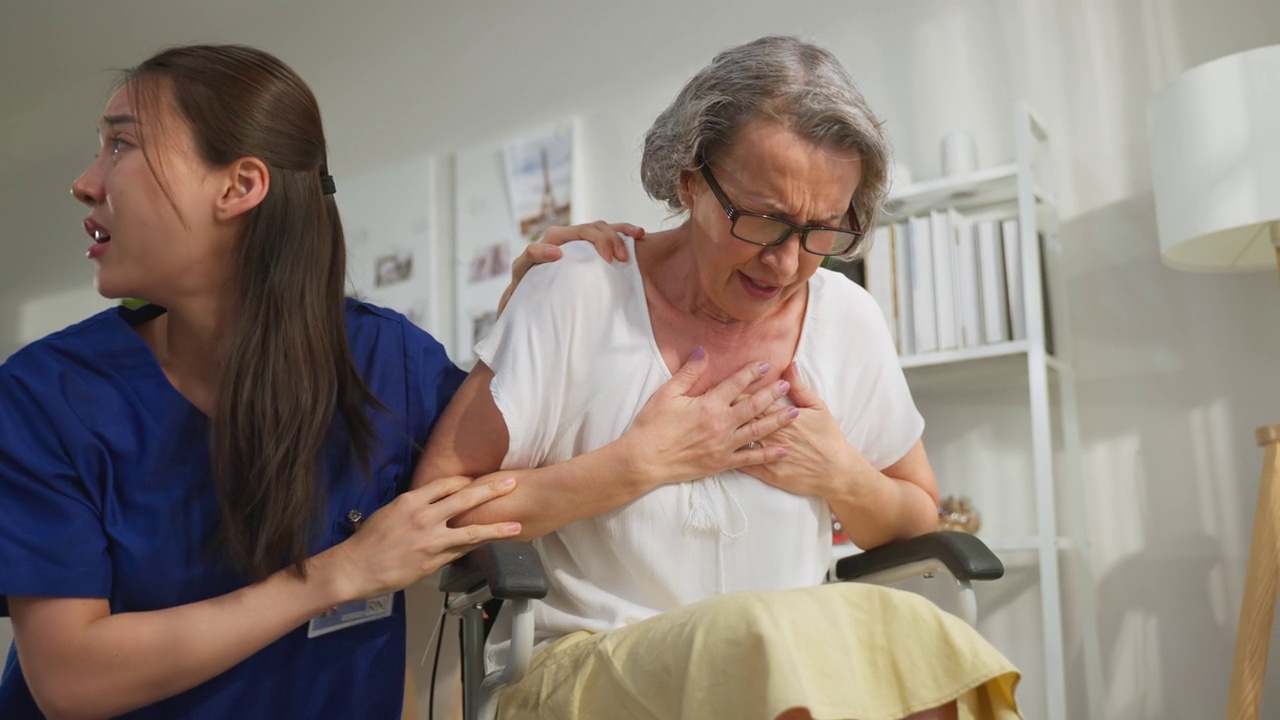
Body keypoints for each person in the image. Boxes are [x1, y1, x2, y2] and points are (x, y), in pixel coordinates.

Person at [0, 44, 654, 719]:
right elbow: (71, 679)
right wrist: (338, 574)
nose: (85, 181)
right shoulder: (49, 395)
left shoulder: (383, 362)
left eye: (119, 147)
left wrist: (542, 315)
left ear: (239, 187)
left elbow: (503, 483)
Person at [417, 35, 1023, 719]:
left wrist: (839, 476)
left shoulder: (846, 317)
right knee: (762, 648)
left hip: (787, 647)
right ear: (687, 179)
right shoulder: (580, 292)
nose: (788, 263)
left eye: (824, 230)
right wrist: (635, 465)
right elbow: (438, 508)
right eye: (765, 221)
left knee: (928, 651)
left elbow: (918, 510)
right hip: (587, 657)